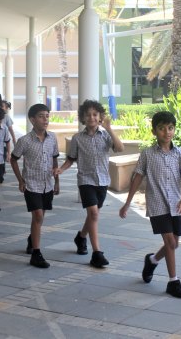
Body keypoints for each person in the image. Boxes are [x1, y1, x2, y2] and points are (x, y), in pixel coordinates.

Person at [119, 111, 181, 298]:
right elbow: (137, 177)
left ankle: (152, 260)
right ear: (154, 131)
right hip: (157, 205)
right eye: (162, 128)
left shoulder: (180, 154)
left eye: (170, 128)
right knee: (169, 242)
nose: (167, 132)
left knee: (174, 243)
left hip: (176, 205)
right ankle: (173, 282)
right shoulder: (147, 154)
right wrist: (127, 203)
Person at [55, 99, 124, 268]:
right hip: (85, 180)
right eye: (88, 115)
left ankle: (81, 237)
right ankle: (97, 253)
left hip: (102, 180)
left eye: (95, 114)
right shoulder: (78, 138)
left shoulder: (106, 135)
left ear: (100, 116)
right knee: (93, 213)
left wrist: (109, 128)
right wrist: (61, 170)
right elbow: (71, 158)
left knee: (92, 215)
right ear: (83, 118)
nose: (92, 118)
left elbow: (120, 148)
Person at [10, 104, 60, 268]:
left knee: (40, 217)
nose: (45, 119)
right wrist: (20, 180)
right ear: (32, 120)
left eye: (47, 115)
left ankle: (32, 239)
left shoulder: (52, 138)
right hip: (31, 184)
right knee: (38, 216)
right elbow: (13, 159)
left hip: (48, 184)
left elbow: (54, 159)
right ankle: (36, 254)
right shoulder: (24, 141)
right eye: (41, 116)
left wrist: (57, 181)